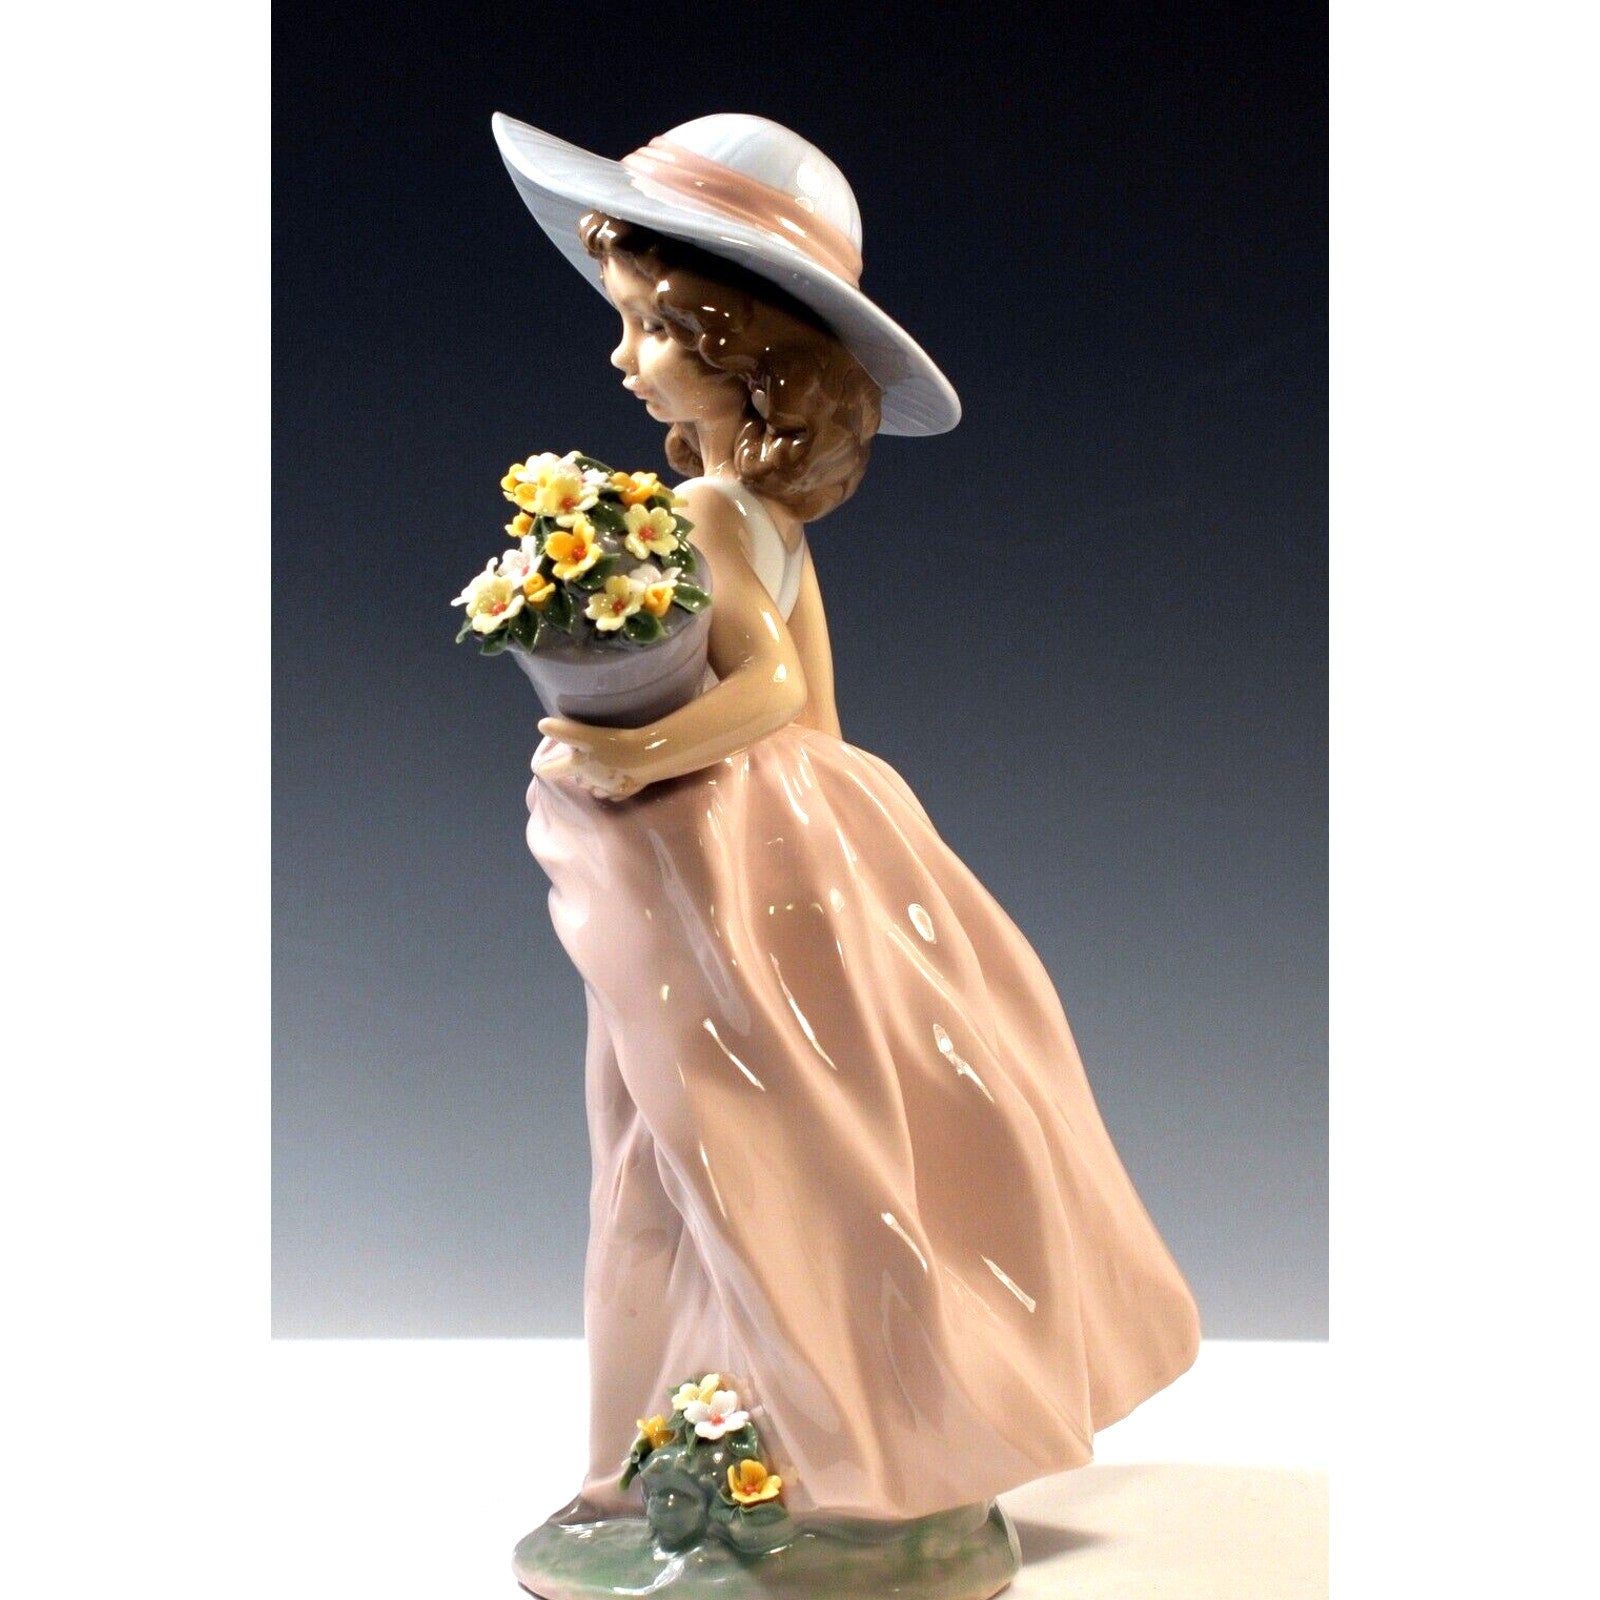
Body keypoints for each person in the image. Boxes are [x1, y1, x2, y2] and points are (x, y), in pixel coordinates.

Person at [497, 112, 1200, 1533]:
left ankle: (721, 1451)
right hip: (804, 827)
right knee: (805, 1133)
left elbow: (767, 690)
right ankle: (784, 1430)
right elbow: (817, 711)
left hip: (735, 853)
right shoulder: (767, 516)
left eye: (654, 331)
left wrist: (628, 756)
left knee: (705, 1151)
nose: (624, 358)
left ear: (746, 359)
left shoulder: (708, 507)